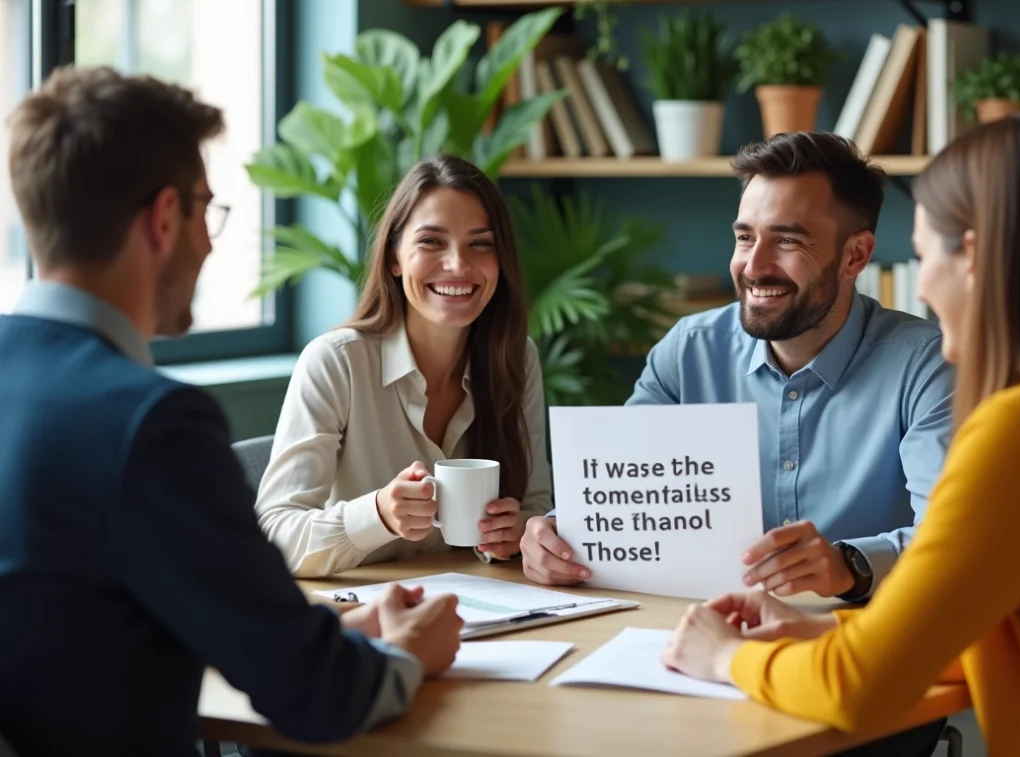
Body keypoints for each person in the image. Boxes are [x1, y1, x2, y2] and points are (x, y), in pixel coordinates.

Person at [661, 115, 1020, 756]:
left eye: (922, 254)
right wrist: (819, 637)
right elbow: (1005, 630)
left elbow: (857, 689)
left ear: (970, 255)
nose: (917, 284)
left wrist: (724, 658)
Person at [0, 66, 463, 757]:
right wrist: (408, 653)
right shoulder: (150, 425)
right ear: (164, 218)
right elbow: (315, 694)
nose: (211, 241)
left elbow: (99, 620)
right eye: (206, 209)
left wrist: (339, 632)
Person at [521, 132, 954, 603]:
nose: (754, 265)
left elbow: (951, 538)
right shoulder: (688, 352)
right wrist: (557, 536)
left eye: (787, 240)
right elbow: (623, 496)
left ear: (855, 255)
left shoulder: (926, 366)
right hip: (701, 628)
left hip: (859, 634)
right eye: (745, 237)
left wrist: (849, 566)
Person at [254, 154, 552, 577]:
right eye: (431, 241)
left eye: (480, 244)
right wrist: (375, 514)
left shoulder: (515, 358)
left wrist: (517, 530)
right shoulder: (336, 363)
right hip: (362, 620)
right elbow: (274, 536)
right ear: (394, 258)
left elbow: (537, 506)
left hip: (484, 611)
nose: (458, 264)